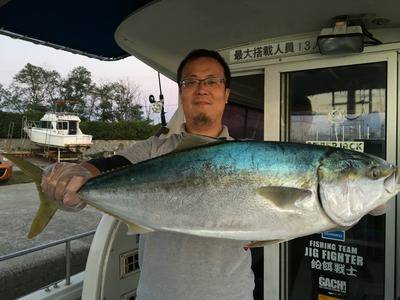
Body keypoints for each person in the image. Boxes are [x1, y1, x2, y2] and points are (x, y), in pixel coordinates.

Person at [41, 49, 255, 299]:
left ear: (226, 93)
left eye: (211, 81)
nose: (201, 88)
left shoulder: (248, 159)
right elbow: (109, 166)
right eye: (191, 82)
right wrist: (74, 175)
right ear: (182, 92)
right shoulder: (154, 149)